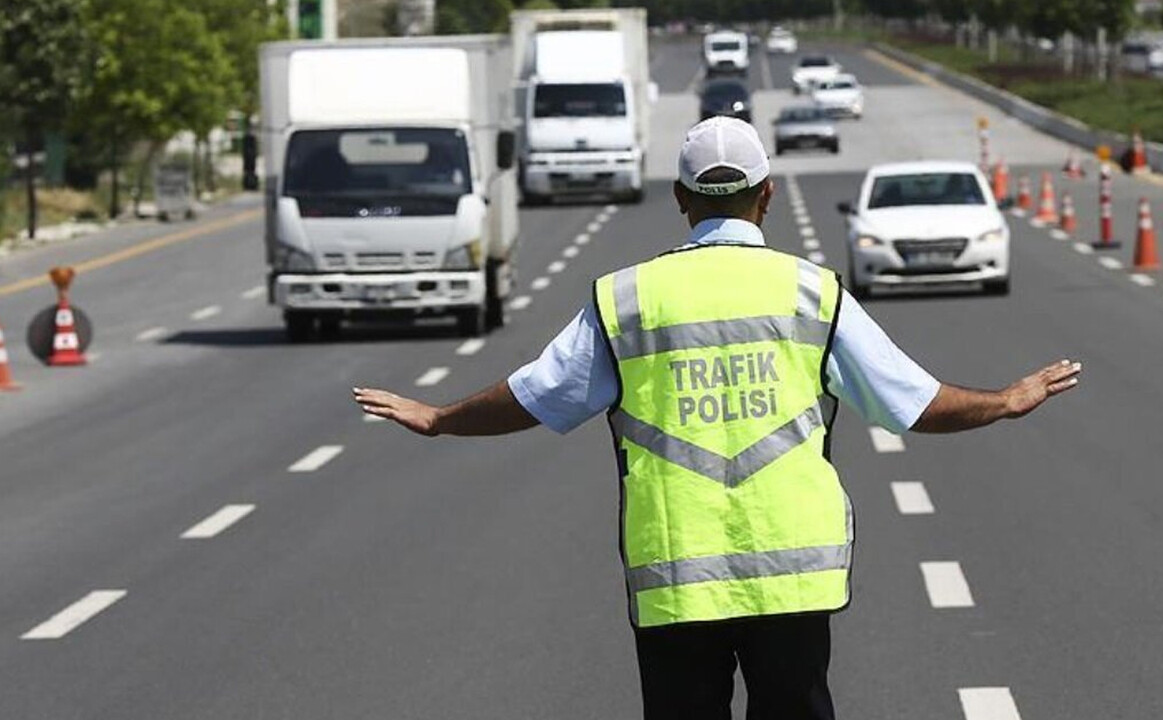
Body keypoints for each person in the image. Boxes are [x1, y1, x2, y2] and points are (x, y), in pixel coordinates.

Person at [353, 117, 1082, 720]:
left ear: (681, 198)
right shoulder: (810, 292)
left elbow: (538, 395)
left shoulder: (628, 299)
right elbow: (912, 402)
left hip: (677, 577)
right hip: (793, 576)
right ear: (766, 196)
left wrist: (441, 416)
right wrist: (1005, 401)